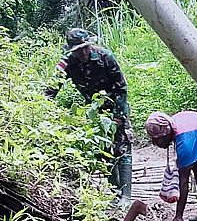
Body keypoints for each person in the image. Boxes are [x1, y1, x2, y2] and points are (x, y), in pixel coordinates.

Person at [45, 28, 133, 203]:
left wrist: (119, 116)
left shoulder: (106, 57)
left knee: (121, 149)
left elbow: (121, 89)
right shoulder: (68, 63)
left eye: (85, 48)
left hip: (115, 107)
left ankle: (126, 196)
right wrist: (48, 111)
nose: (83, 53)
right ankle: (114, 193)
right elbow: (51, 89)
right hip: (94, 112)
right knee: (103, 150)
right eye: (78, 50)